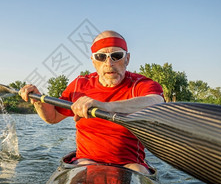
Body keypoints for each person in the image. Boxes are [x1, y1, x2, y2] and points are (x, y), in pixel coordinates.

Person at [19, 30, 164, 174]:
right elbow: (52, 117)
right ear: (93, 61)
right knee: (85, 168)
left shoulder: (140, 84)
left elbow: (157, 103)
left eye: (116, 56)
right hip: (86, 160)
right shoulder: (79, 85)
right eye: (101, 57)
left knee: (137, 170)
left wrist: (105, 106)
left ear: (127, 59)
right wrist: (37, 100)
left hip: (130, 164)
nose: (109, 63)